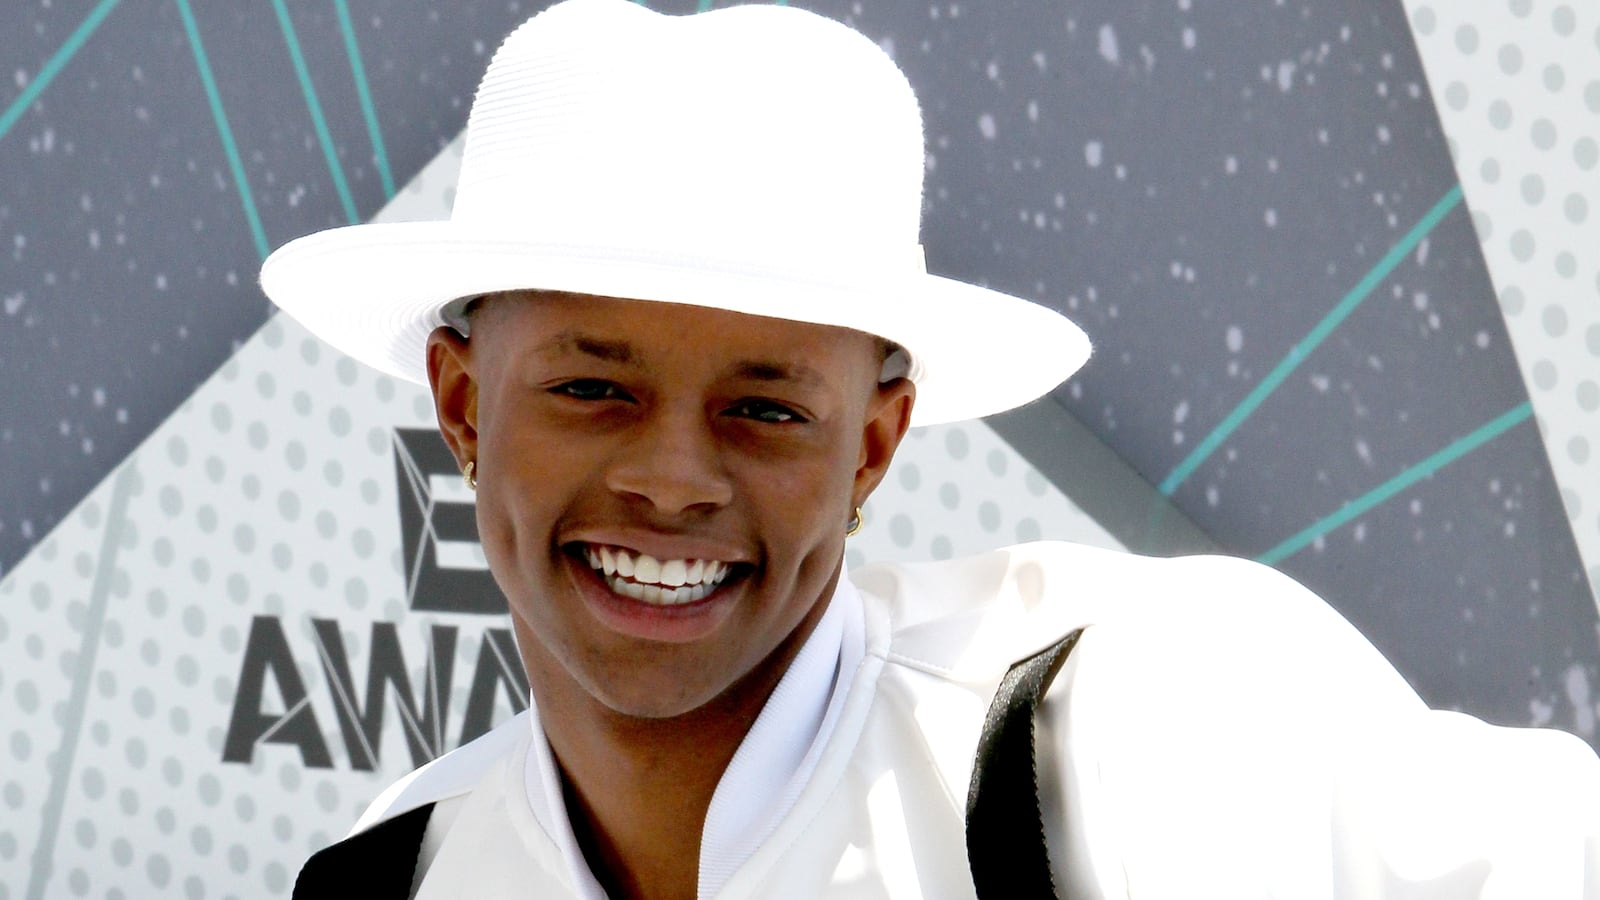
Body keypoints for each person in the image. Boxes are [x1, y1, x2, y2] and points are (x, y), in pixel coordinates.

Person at [260, 1, 1600, 897]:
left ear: (875, 443)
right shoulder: (388, 879)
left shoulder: (1147, 723)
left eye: (768, 408)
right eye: (593, 389)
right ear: (460, 402)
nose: (672, 478)